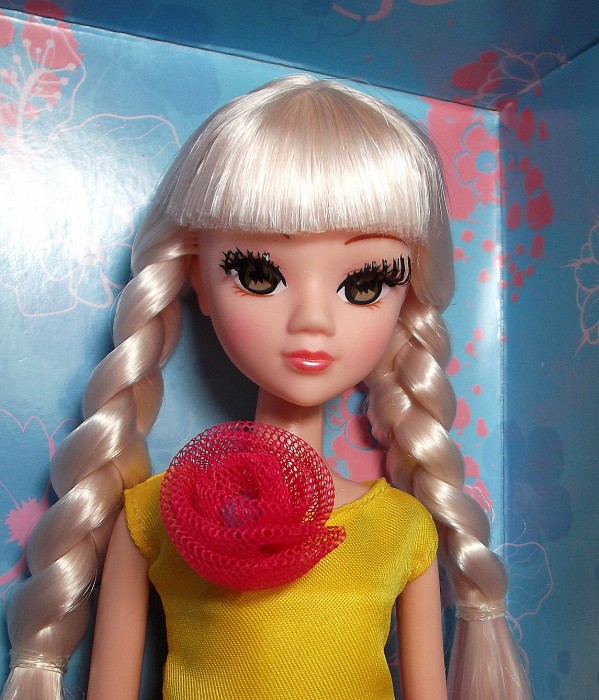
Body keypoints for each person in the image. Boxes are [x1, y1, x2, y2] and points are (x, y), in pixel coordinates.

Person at [1, 74, 531, 700]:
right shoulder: (155, 513)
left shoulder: (401, 528)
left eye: (364, 285)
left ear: (405, 296)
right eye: (257, 274)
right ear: (197, 278)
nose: (313, 320)